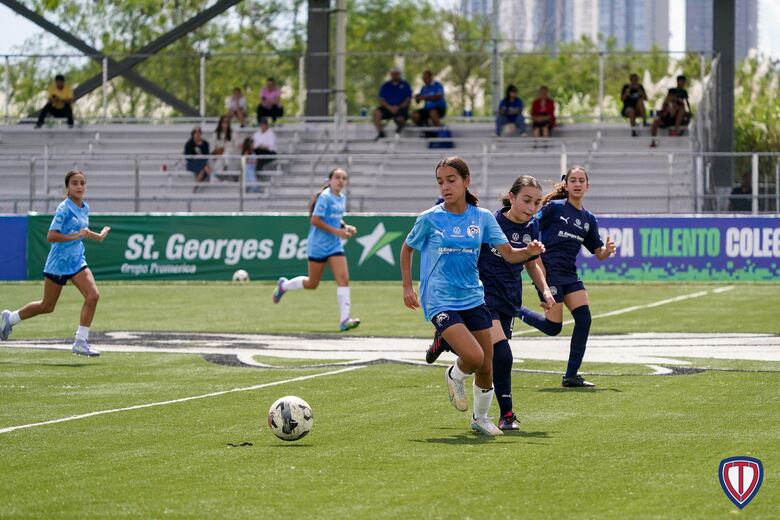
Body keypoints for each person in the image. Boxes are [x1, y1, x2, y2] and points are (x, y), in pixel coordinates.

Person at [400, 156, 545, 436]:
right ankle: (454, 375)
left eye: (451, 180)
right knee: (474, 356)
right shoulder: (430, 218)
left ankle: (480, 418)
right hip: (440, 299)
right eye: (441, 182)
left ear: (467, 182)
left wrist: (529, 252)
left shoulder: (483, 217)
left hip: (474, 297)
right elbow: (407, 249)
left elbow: (509, 254)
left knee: (486, 365)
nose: (445, 187)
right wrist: (407, 287)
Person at [517, 166, 617, 387]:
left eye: (582, 180)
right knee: (554, 328)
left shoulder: (589, 218)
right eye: (573, 180)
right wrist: (535, 259)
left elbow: (598, 253)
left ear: (587, 186)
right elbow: (530, 224)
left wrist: (607, 251)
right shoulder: (554, 208)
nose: (578, 184)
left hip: (570, 275)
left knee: (584, 319)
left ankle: (571, 375)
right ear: (567, 184)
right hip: (549, 272)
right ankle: (517, 309)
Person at [1, 170, 110, 356]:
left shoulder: (85, 207)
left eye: (82, 183)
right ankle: (10, 318)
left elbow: (82, 230)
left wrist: (97, 236)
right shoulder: (64, 208)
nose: (79, 186)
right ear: (67, 187)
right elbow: (51, 236)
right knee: (47, 306)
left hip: (77, 261)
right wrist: (74, 236)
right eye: (75, 183)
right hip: (58, 264)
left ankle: (80, 341)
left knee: (93, 295)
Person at [272, 168, 360, 332]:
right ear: (330, 180)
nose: (340, 181)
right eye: (337, 177)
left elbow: (334, 217)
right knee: (313, 283)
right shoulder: (325, 197)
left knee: (344, 279)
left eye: (343, 178)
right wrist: (339, 232)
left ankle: (344, 320)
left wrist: (345, 227)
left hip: (334, 245)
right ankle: (284, 286)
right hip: (318, 246)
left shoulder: (341, 198)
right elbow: (315, 220)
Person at [372, 67, 412, 140]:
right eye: (393, 74)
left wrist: (398, 107)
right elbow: (381, 99)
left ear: (399, 74)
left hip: (401, 108)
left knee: (401, 119)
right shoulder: (385, 85)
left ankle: (397, 133)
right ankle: (381, 133)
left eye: (396, 74)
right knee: (376, 113)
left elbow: (408, 99)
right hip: (387, 108)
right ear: (391, 74)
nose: (395, 75)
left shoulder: (405, 85)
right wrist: (389, 107)